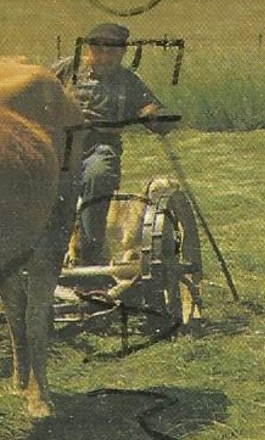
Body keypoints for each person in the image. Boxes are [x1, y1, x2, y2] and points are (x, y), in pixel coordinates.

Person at [54, 22, 176, 267]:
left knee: (98, 175)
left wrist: (155, 116)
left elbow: (149, 107)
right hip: (61, 145)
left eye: (112, 52)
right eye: (99, 51)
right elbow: (39, 89)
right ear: (89, 49)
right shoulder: (67, 69)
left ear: (122, 54)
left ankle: (89, 252)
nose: (105, 58)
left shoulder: (128, 81)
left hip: (100, 146)